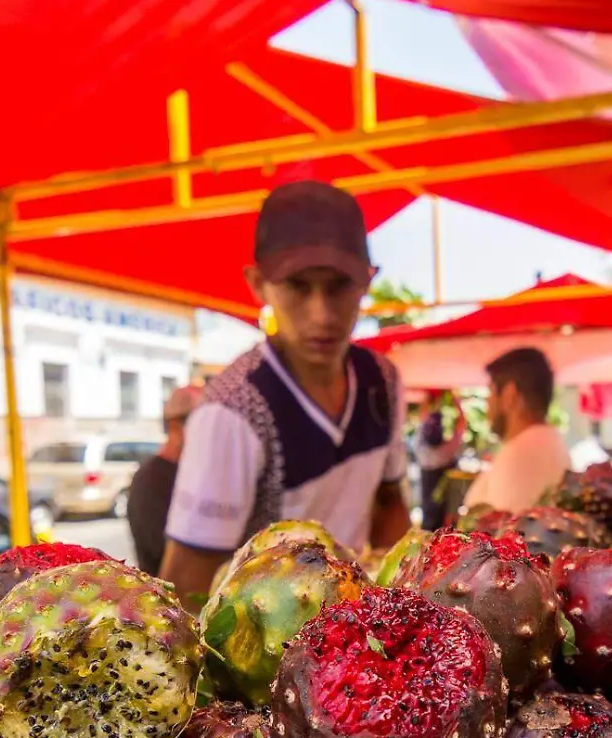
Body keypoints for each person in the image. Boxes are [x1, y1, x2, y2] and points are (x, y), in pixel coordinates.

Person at [160, 180, 412, 602]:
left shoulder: (382, 383)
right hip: (267, 644)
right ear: (258, 284)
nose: (322, 313)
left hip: (361, 618)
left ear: (367, 281)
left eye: (338, 286)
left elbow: (390, 504)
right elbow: (188, 583)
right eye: (298, 286)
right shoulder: (232, 412)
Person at [462, 347, 570, 512]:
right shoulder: (549, 441)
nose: (488, 405)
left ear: (509, 394)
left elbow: (503, 532)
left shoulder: (522, 454)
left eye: (491, 393)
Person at [126, 384, 203, 575]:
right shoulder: (151, 479)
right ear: (177, 425)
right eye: (203, 422)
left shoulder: (190, 471)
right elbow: (168, 553)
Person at [413, 392, 467, 530]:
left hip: (429, 514)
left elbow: (422, 417)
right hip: (444, 515)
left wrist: (429, 398)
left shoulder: (420, 449)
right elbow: (461, 424)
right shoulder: (446, 451)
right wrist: (456, 401)